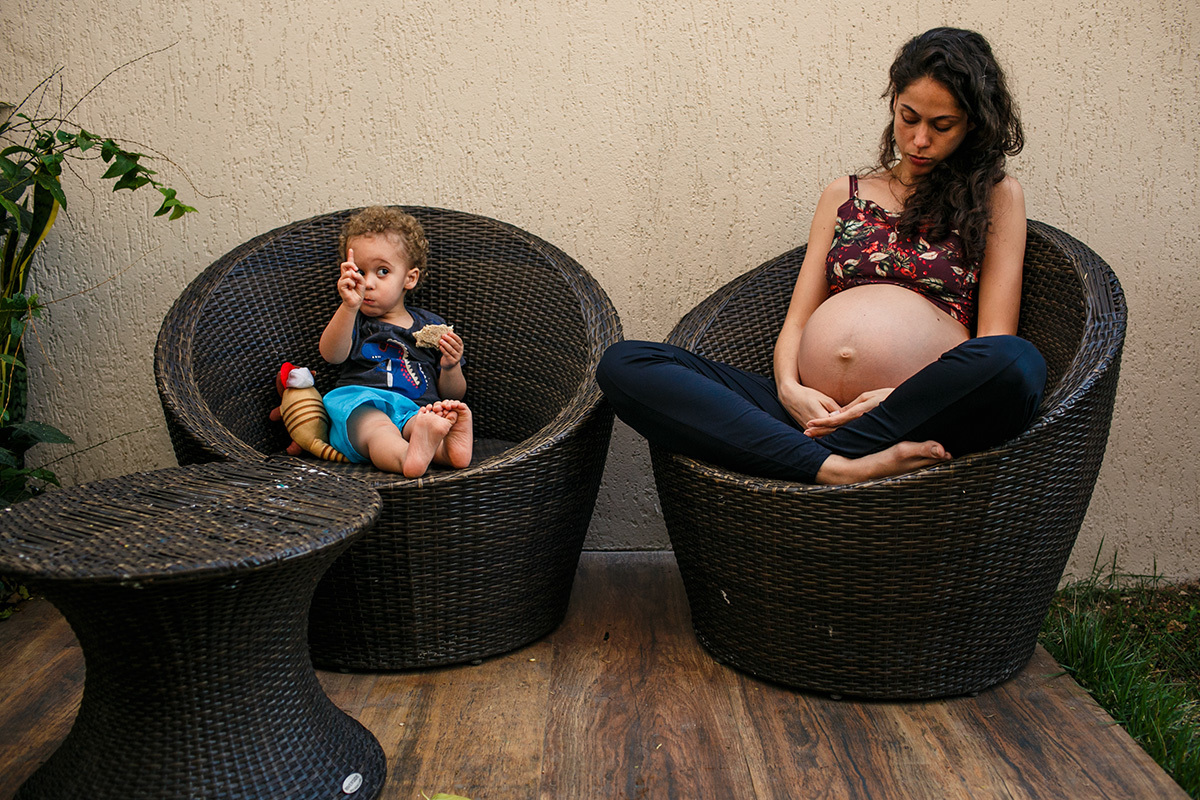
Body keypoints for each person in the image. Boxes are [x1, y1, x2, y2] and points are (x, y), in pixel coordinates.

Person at [597, 27, 1046, 486]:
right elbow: (797, 320)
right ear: (894, 104)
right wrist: (791, 391)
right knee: (626, 362)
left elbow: (991, 339)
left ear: (974, 123)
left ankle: (789, 456)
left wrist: (896, 396)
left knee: (1016, 362)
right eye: (908, 118)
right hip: (806, 411)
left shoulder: (997, 198)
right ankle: (841, 467)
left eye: (942, 125)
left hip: (909, 410)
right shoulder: (842, 194)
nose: (919, 140)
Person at [320, 206, 473, 477]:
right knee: (379, 430)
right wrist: (347, 307)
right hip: (363, 404)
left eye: (382, 272)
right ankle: (407, 458)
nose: (368, 283)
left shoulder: (431, 326)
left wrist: (450, 366)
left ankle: (448, 451)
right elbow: (331, 354)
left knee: (427, 422)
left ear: (409, 278)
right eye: (360, 272)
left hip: (416, 410)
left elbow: (453, 394)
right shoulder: (354, 320)